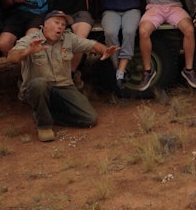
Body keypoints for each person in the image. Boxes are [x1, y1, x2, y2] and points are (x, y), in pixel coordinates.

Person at [7, 10, 119, 142]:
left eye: (63, 24)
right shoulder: (31, 39)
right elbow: (11, 57)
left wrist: (104, 50)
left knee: (90, 118)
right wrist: (28, 51)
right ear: (45, 24)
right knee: (39, 84)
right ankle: (44, 125)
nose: (60, 26)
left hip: (63, 86)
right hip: (38, 88)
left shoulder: (69, 38)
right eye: (57, 22)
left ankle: (46, 114)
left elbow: (92, 45)